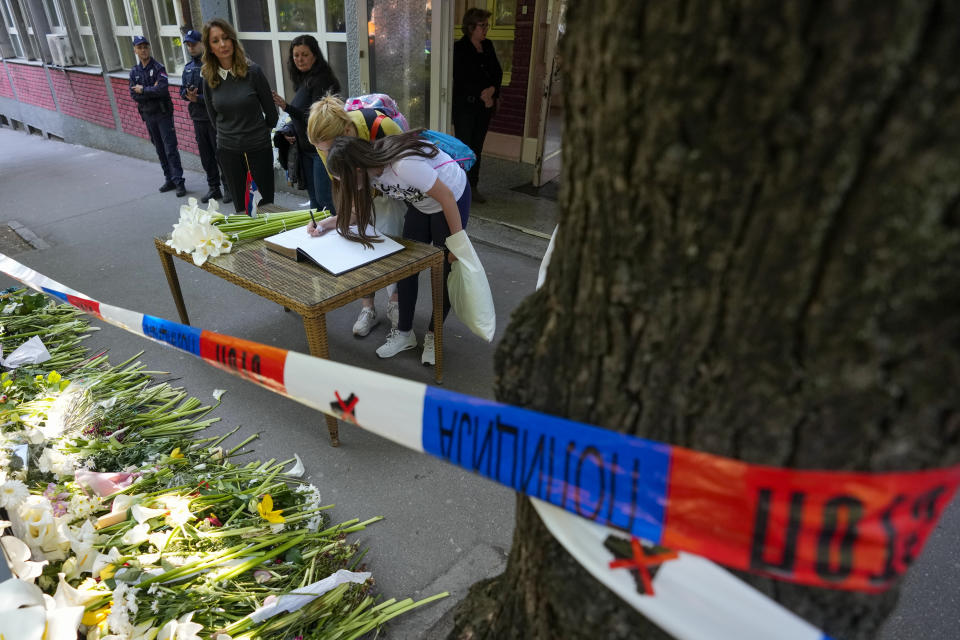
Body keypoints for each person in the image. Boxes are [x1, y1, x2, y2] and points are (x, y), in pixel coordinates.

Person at [321, 131, 470, 365]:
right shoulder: (368, 173)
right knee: (406, 268)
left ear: (357, 170)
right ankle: (404, 333)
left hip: (451, 199)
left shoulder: (403, 165)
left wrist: (457, 244)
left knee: (444, 269)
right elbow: (355, 214)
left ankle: (433, 335)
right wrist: (323, 224)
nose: (345, 186)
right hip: (421, 204)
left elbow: (447, 197)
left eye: (344, 179)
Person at [306, 95, 405, 337]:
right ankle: (368, 308)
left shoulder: (383, 127)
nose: (326, 154)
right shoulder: (324, 145)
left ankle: (396, 299)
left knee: (391, 236)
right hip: (364, 184)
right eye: (322, 150)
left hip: (393, 187)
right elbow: (348, 190)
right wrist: (333, 222)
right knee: (358, 237)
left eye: (329, 149)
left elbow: (405, 178)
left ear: (348, 131)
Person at [201, 18, 278, 212]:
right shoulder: (208, 77)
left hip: (259, 148)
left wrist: (256, 132)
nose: (223, 44)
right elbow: (213, 118)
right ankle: (250, 242)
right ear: (210, 48)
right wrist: (231, 135)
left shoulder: (254, 72)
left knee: (265, 205)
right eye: (216, 40)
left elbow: (272, 114)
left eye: (226, 38)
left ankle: (269, 241)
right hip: (228, 151)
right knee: (242, 207)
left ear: (233, 40)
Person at [271, 35, 340, 212]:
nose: (299, 60)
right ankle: (319, 232)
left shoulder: (322, 80)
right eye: (296, 55)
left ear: (315, 56)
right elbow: (300, 117)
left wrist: (287, 107)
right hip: (306, 149)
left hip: (321, 151)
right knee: (314, 198)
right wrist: (290, 129)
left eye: (304, 55)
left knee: (325, 199)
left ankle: (337, 232)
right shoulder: (304, 79)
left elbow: (317, 118)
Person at [452, 8, 502, 204]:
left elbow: (497, 72)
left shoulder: (488, 46)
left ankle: (473, 186)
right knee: (465, 148)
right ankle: (459, 187)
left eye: (487, 26)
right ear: (471, 27)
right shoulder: (460, 48)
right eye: (483, 26)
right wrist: (482, 95)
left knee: (477, 148)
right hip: (466, 107)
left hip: (484, 107)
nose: (486, 30)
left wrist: (492, 91)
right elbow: (461, 78)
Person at [129, 35, 186, 197]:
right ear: (135, 50)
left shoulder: (159, 67)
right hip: (148, 115)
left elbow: (162, 89)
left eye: (146, 46)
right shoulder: (134, 72)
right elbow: (134, 95)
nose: (143, 50)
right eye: (140, 47)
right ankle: (169, 179)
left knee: (170, 148)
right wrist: (149, 90)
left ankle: (179, 181)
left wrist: (143, 90)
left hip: (163, 115)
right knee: (160, 149)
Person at [180, 28, 230, 204]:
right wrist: (187, 94)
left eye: (193, 44)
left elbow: (218, 94)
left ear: (202, 44)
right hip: (198, 119)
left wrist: (198, 98)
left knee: (221, 155)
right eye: (188, 45)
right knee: (206, 156)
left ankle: (228, 188)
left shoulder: (212, 66)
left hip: (213, 119)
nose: (191, 48)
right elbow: (181, 91)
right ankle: (213, 188)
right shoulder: (187, 68)